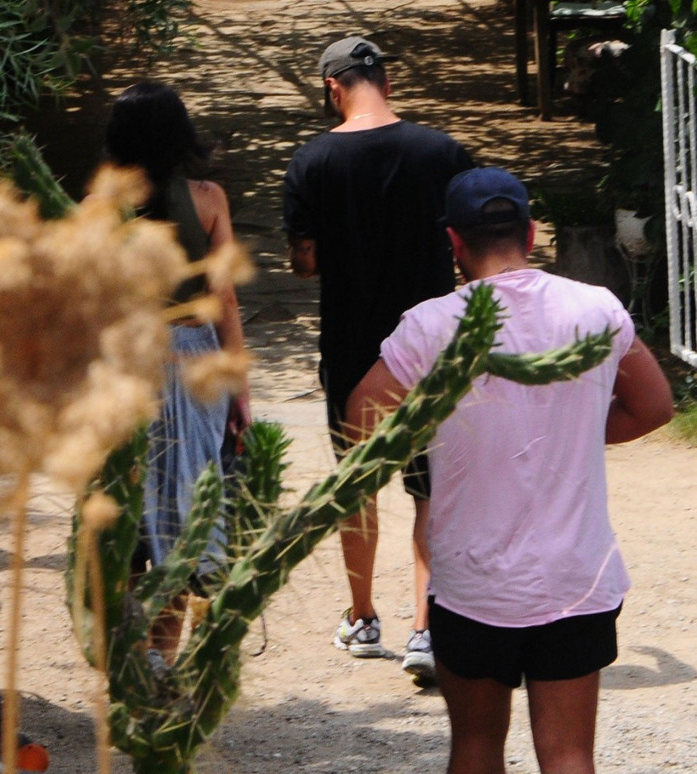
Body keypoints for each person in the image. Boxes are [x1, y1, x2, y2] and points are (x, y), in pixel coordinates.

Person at [346, 167, 673, 773]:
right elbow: (653, 406)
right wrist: (573, 429)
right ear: (529, 231)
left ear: (454, 242)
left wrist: (438, 427)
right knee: (569, 754)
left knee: (475, 748)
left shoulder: (431, 324)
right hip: (575, 577)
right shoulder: (596, 309)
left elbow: (362, 418)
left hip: (473, 580)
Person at [282, 35, 474, 676]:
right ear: (386, 83)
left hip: (352, 347)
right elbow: (467, 244)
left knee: (357, 483)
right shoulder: (443, 153)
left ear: (332, 88)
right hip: (430, 344)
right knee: (430, 490)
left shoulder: (311, 161)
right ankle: (427, 630)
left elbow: (306, 261)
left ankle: (363, 617)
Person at [104, 82, 251, 664]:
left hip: (129, 360)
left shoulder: (101, 207)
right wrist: (241, 390)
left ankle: (131, 656)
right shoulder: (209, 199)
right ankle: (164, 658)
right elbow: (226, 300)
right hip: (196, 360)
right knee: (190, 511)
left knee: (129, 514)